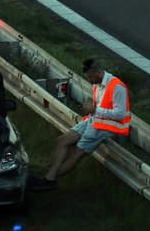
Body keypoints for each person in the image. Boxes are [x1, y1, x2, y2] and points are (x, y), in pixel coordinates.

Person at [29, 58, 131, 191]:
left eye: (89, 76)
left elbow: (120, 114)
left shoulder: (117, 87)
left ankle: (48, 179)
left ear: (98, 72)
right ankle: (49, 178)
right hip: (92, 120)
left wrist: (95, 109)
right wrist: (91, 108)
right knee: (62, 140)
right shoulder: (97, 83)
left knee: (76, 154)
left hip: (105, 127)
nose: (88, 79)